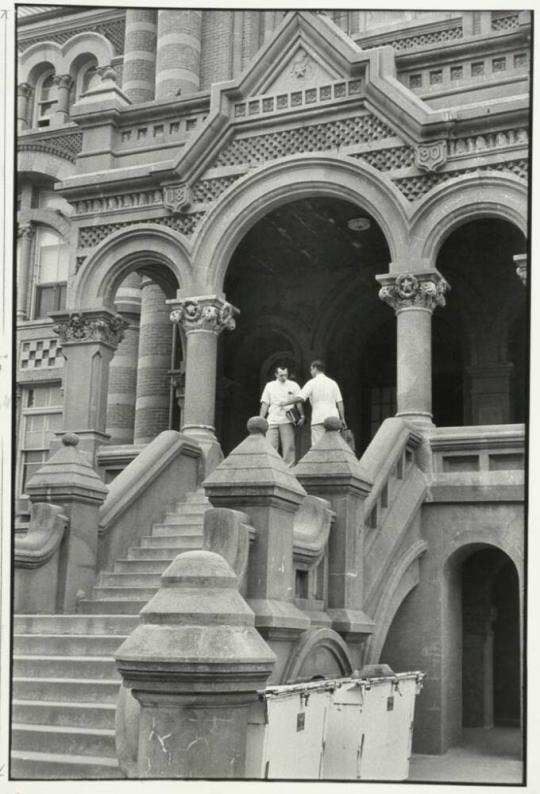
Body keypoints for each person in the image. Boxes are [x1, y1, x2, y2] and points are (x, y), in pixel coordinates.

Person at [281, 360, 345, 446]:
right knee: (333, 446)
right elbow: (340, 402)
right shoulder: (333, 383)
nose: (310, 372)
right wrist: (342, 418)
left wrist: (285, 403)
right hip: (334, 419)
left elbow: (301, 398)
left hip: (318, 418)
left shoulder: (312, 382)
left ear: (314, 368)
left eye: (311, 369)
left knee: (318, 447)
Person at [259, 365, 305, 466]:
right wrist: (261, 418)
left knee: (289, 447)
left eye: (286, 375)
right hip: (272, 419)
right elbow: (265, 403)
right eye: (281, 375)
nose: (284, 377)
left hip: (287, 419)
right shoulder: (269, 386)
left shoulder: (294, 385)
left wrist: (302, 415)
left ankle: (290, 470)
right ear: (276, 375)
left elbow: (298, 401)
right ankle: (272, 469)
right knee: (270, 446)